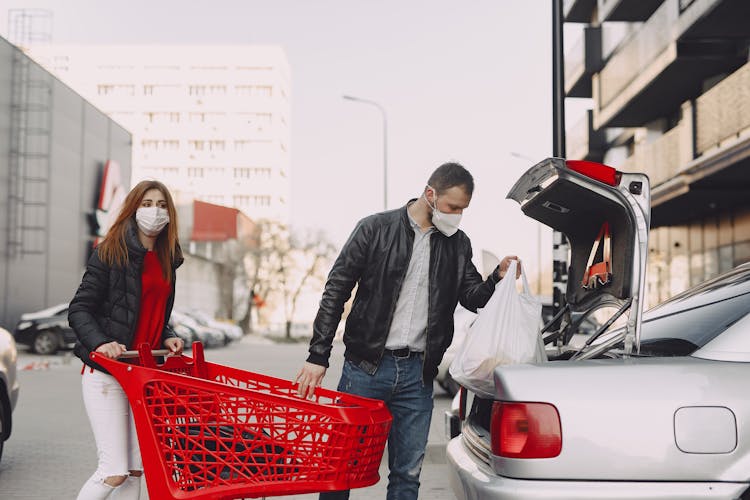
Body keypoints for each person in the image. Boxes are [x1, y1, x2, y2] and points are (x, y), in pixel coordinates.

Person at [295, 162, 520, 500]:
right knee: (342, 468)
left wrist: (496, 279)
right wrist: (318, 355)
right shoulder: (375, 229)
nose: (457, 215)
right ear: (430, 195)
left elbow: (473, 297)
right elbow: (336, 290)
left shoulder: (458, 244)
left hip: (417, 375)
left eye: (463, 210)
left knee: (407, 475)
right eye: (453, 207)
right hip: (365, 369)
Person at [69, 180, 185, 500]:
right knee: (114, 472)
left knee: (136, 469)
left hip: (145, 376)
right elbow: (79, 309)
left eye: (162, 205)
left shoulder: (167, 258)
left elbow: (155, 313)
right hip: (108, 373)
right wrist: (100, 342)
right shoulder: (110, 252)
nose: (154, 212)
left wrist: (170, 336)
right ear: (134, 209)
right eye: (147, 204)